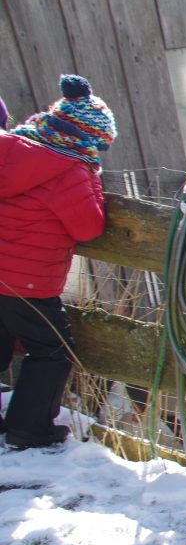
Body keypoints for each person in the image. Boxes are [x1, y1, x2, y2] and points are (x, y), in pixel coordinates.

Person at [0, 75, 116, 450]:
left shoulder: (13, 149)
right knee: (52, 350)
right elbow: (88, 227)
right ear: (86, 137)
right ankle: (29, 429)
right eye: (99, 145)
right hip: (27, 281)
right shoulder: (68, 169)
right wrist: (92, 181)